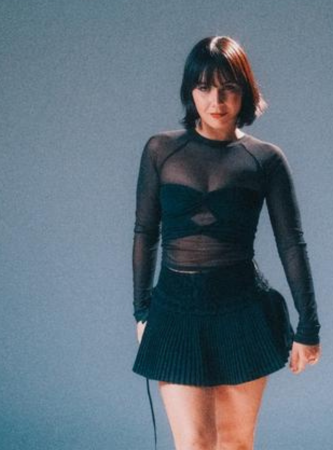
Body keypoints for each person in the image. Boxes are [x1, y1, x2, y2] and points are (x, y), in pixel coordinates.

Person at [131, 35, 322, 450]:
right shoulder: (161, 151)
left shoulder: (265, 159)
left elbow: (291, 244)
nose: (215, 100)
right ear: (190, 91)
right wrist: (141, 310)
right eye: (204, 87)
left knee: (235, 443)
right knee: (194, 444)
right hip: (175, 311)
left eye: (228, 88)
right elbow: (145, 232)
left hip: (242, 309)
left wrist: (309, 325)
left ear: (244, 92)